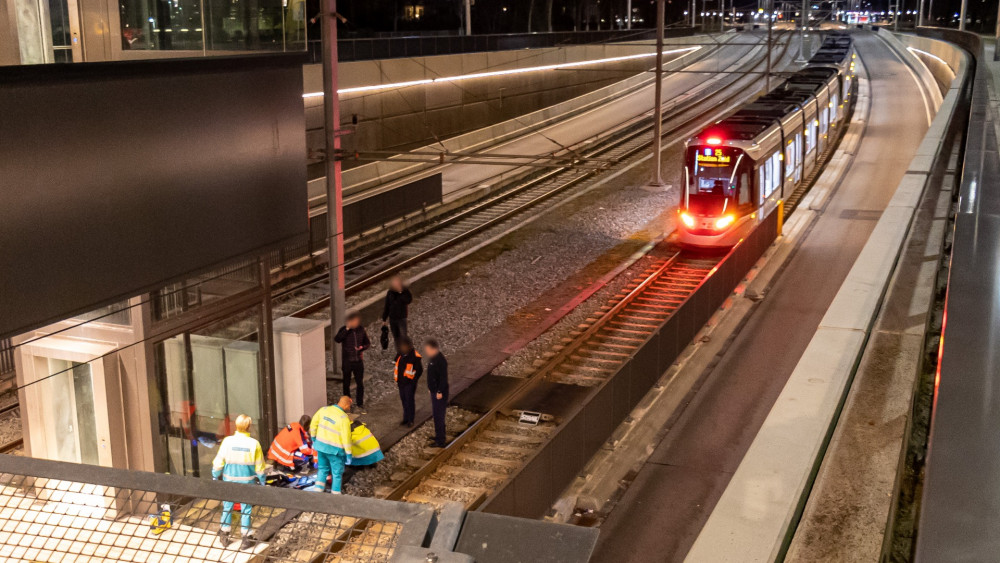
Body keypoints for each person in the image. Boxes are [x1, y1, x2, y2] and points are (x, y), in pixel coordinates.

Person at [212, 414, 266, 551]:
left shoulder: (227, 441)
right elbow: (260, 467)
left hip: (229, 481)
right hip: (247, 483)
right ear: (248, 426)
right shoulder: (254, 444)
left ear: (236, 425)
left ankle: (224, 535)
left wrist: (215, 476)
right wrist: (263, 482)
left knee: (227, 507)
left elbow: (219, 462)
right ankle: (246, 539)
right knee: (246, 510)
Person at [309, 396, 354, 494]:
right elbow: (346, 438)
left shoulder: (323, 410)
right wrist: (349, 453)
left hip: (320, 446)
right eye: (349, 406)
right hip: (335, 451)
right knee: (337, 473)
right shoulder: (343, 418)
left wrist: (313, 438)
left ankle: (317, 491)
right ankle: (335, 494)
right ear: (346, 405)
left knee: (322, 469)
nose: (349, 408)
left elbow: (313, 425)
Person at [334, 312, 371, 410]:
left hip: (358, 361)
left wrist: (361, 347)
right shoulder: (344, 330)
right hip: (347, 362)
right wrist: (347, 329)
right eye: (354, 321)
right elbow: (337, 339)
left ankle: (360, 403)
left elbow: (367, 343)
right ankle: (347, 402)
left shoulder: (361, 330)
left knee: (360, 383)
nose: (356, 323)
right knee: (346, 383)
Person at [423, 339, 449, 448]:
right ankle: (439, 435)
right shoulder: (434, 359)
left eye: (428, 350)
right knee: (436, 415)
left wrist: (439, 391)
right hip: (434, 391)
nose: (426, 352)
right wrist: (431, 388)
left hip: (439, 393)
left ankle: (440, 440)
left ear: (434, 349)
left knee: (439, 416)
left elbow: (443, 378)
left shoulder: (440, 361)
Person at [393, 337, 423, 427]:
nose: (402, 348)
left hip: (409, 384)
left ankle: (410, 420)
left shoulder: (414, 357)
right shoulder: (400, 354)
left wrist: (413, 381)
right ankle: (406, 419)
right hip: (401, 383)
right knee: (404, 401)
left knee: (409, 401)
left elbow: (419, 371)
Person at [381, 275, 413, 347]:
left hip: (402, 318)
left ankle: (406, 352)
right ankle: (399, 352)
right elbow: (387, 305)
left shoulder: (405, 291)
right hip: (392, 318)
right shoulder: (390, 292)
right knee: (396, 337)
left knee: (403, 336)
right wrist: (384, 318)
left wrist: (401, 293)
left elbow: (408, 300)